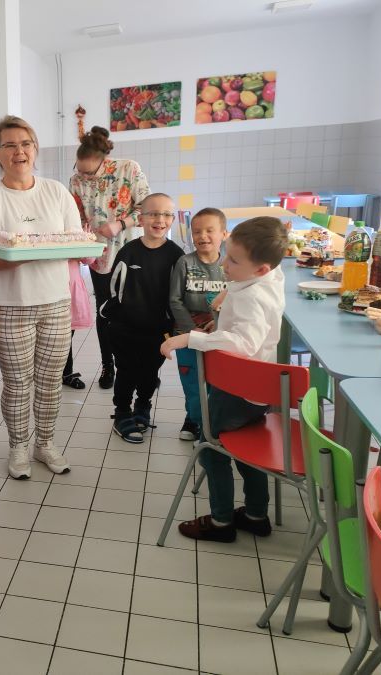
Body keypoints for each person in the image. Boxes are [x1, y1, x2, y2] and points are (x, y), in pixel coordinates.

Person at [161, 217, 287, 543]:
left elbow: (243, 343)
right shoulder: (271, 277)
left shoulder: (251, 297)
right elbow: (255, 283)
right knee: (248, 452)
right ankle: (256, 515)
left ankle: (220, 522)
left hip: (236, 390)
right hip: (259, 389)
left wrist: (191, 338)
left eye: (233, 260)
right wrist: (228, 292)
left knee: (211, 448)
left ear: (260, 269)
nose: (224, 264)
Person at [0, 115, 80, 480]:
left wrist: (24, 248)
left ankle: (45, 443)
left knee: (50, 382)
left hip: (55, 303)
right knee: (18, 384)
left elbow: (74, 242)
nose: (19, 151)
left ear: (35, 149)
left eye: (26, 143)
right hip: (9, 306)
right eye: (10, 145)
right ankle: (18, 447)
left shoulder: (56, 192)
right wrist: (36, 250)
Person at [69, 126, 150, 389]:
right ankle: (108, 366)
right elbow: (77, 216)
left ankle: (138, 365)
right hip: (100, 256)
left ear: (103, 161)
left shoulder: (129, 169)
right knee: (105, 312)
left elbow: (148, 209)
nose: (83, 177)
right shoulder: (76, 180)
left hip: (130, 250)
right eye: (79, 171)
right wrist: (81, 233)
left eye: (89, 173)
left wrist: (120, 224)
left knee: (133, 310)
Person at [102, 193, 184, 444]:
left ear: (172, 219)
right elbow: (114, 290)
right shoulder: (129, 252)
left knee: (149, 373)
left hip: (159, 329)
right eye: (153, 214)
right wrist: (112, 319)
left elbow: (179, 293)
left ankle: (143, 405)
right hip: (125, 328)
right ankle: (122, 411)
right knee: (126, 371)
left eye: (166, 214)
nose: (160, 220)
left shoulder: (176, 255)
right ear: (141, 218)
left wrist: (176, 325)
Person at [168, 207, 228, 441]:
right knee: (192, 383)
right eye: (197, 231)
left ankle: (210, 423)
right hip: (187, 336)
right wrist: (190, 329)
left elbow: (235, 298)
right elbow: (175, 299)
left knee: (215, 383)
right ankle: (193, 419)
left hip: (218, 336)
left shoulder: (229, 265)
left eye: (209, 230)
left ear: (224, 234)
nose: (203, 236)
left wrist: (217, 322)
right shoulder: (185, 263)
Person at [61, 259, 94, 390]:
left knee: (66, 333)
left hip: (71, 284)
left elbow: (89, 258)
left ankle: (66, 373)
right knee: (61, 334)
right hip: (50, 284)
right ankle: (64, 373)